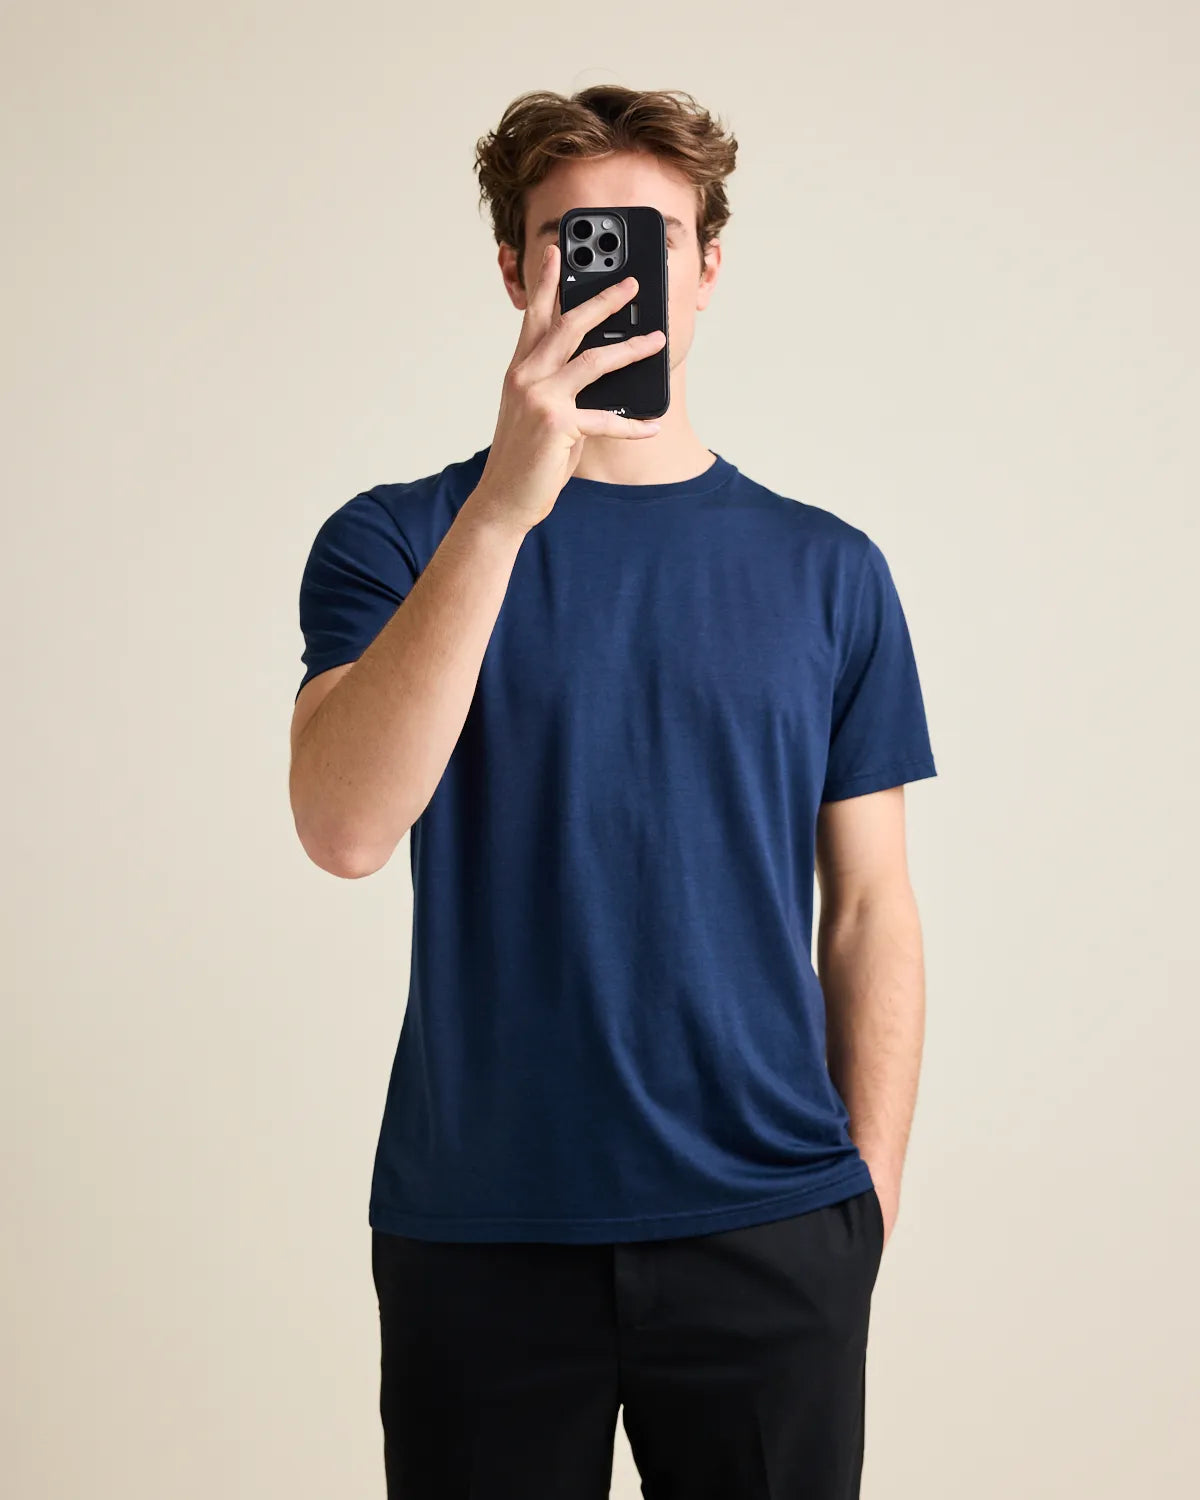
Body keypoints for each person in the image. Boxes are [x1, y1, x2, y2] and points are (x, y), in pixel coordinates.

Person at [290, 84, 936, 1500]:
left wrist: (859, 1211)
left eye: (654, 238)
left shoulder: (829, 571)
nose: (619, 273)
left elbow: (872, 908)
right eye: (577, 243)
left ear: (707, 266)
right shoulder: (396, 541)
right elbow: (342, 827)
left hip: (774, 1231)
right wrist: (512, 507)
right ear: (518, 273)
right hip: (481, 1233)